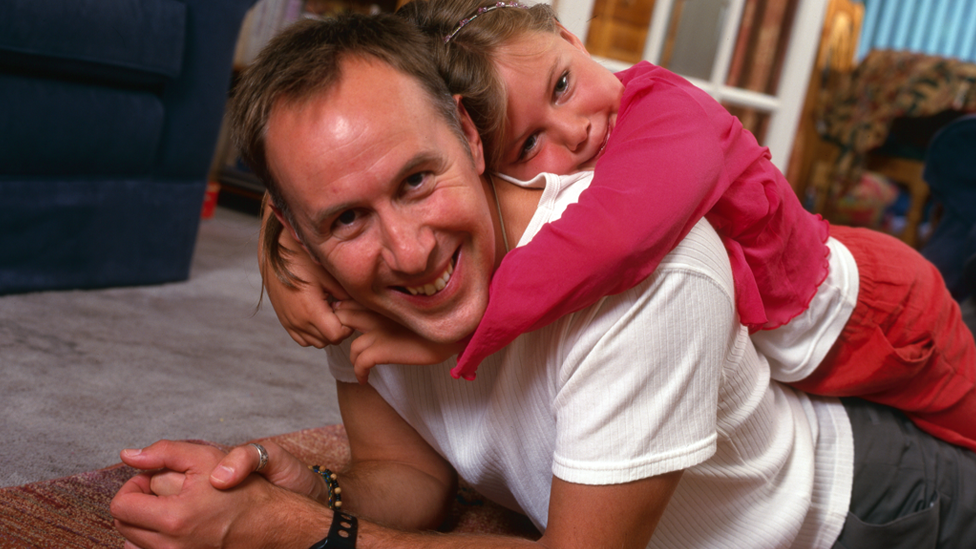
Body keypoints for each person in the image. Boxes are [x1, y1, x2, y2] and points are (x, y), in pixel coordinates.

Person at [110, 12, 976, 549]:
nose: (409, 252)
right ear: (294, 230)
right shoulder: (352, 288)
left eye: (417, 179)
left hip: (883, 505)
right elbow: (405, 475)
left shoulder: (650, 267)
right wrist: (304, 484)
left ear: (468, 134)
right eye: (343, 218)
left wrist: (298, 533)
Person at [261, 0, 976, 452]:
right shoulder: (527, 158)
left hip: (878, 317)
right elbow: (345, 169)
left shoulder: (671, 113)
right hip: (801, 359)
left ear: (573, 39)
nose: (571, 135)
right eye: (527, 145)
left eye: (564, 84)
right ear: (479, 155)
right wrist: (283, 245)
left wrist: (457, 335)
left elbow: (609, 242)